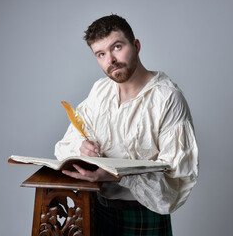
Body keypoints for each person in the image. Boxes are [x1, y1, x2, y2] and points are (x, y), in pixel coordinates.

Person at [55, 14, 198, 236]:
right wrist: (82, 147)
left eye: (117, 47)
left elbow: (176, 179)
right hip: (97, 209)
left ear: (136, 45)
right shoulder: (100, 91)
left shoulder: (167, 98)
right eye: (101, 54)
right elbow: (66, 143)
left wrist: (117, 174)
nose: (110, 60)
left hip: (144, 215)